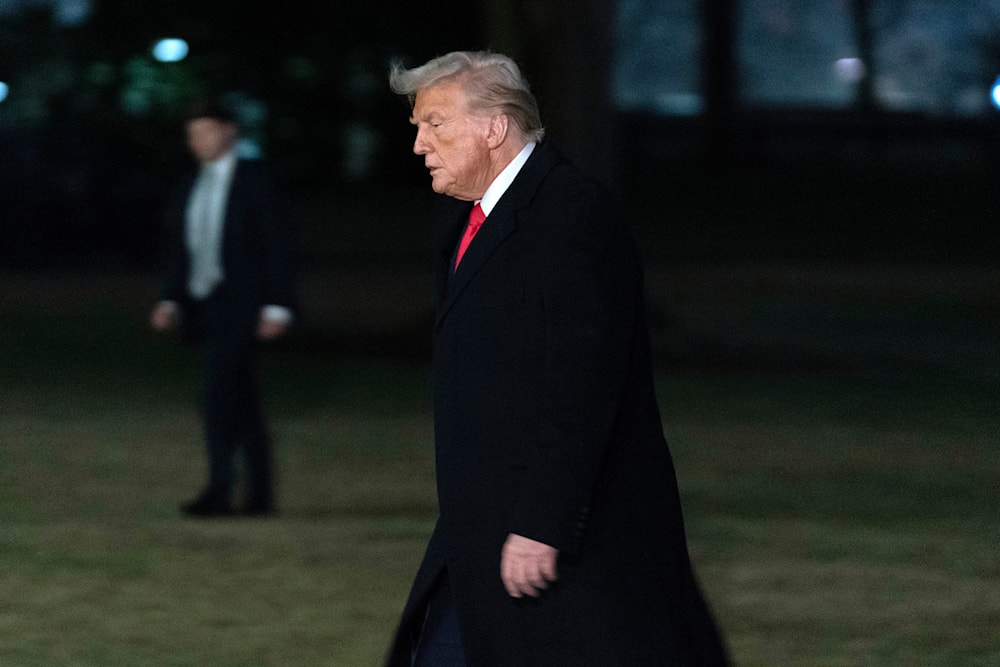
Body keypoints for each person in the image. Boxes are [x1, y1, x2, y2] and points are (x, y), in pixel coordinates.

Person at [384, 51, 729, 666]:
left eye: (434, 124)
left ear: (494, 127)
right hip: (480, 531)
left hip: (557, 539)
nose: (418, 144)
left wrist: (542, 523)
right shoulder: (471, 222)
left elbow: (583, 383)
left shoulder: (570, 214)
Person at [149, 99, 296, 518]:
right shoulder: (191, 183)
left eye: (206, 131)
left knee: (218, 398)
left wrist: (278, 305)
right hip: (205, 305)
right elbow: (181, 247)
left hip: (242, 303)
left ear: (229, 131)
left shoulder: (257, 179)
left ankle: (220, 488)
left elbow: (278, 244)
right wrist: (170, 299)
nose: (197, 141)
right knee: (242, 401)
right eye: (192, 134)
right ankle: (259, 495)